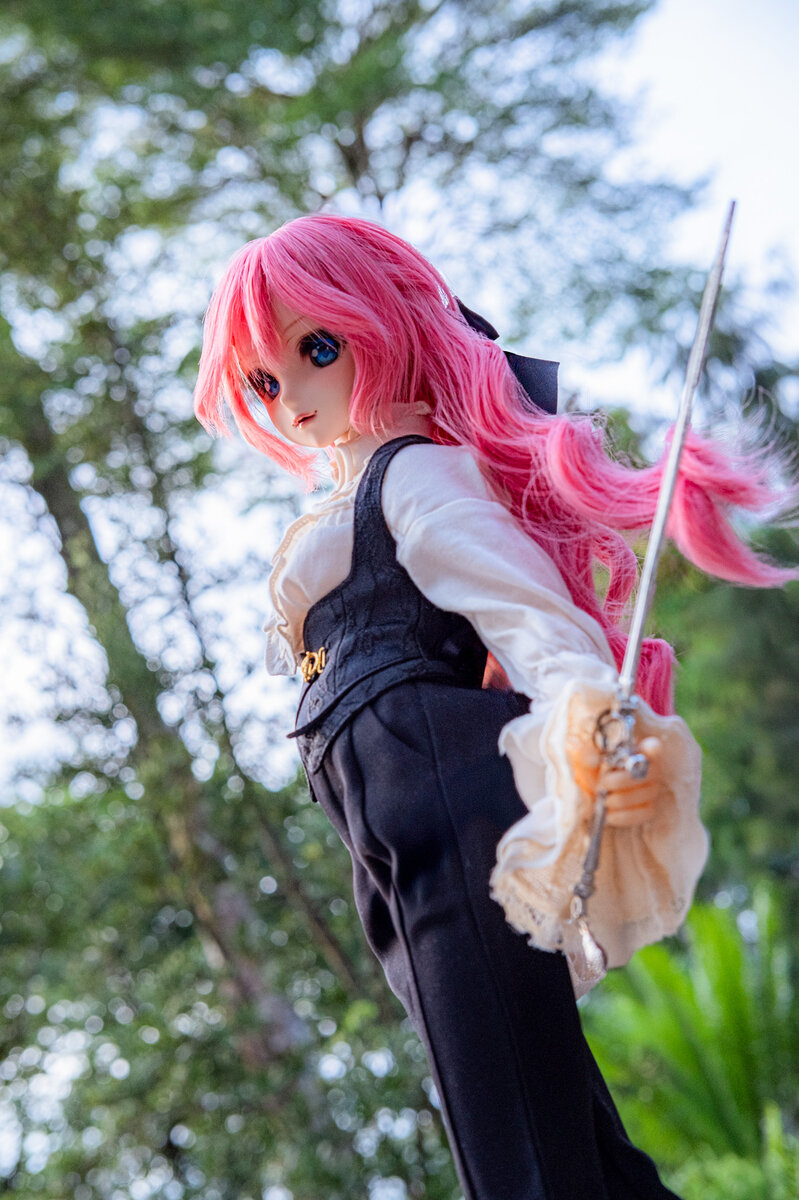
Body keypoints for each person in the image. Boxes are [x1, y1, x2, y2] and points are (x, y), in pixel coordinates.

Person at [193, 213, 794, 1199]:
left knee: (515, 1136)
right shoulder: (360, 492)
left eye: (316, 350)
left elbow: (531, 618)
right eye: (264, 381)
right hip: (393, 840)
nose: (291, 396)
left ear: (380, 326)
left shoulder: (414, 474)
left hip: (448, 809)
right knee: (550, 1125)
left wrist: (590, 719)